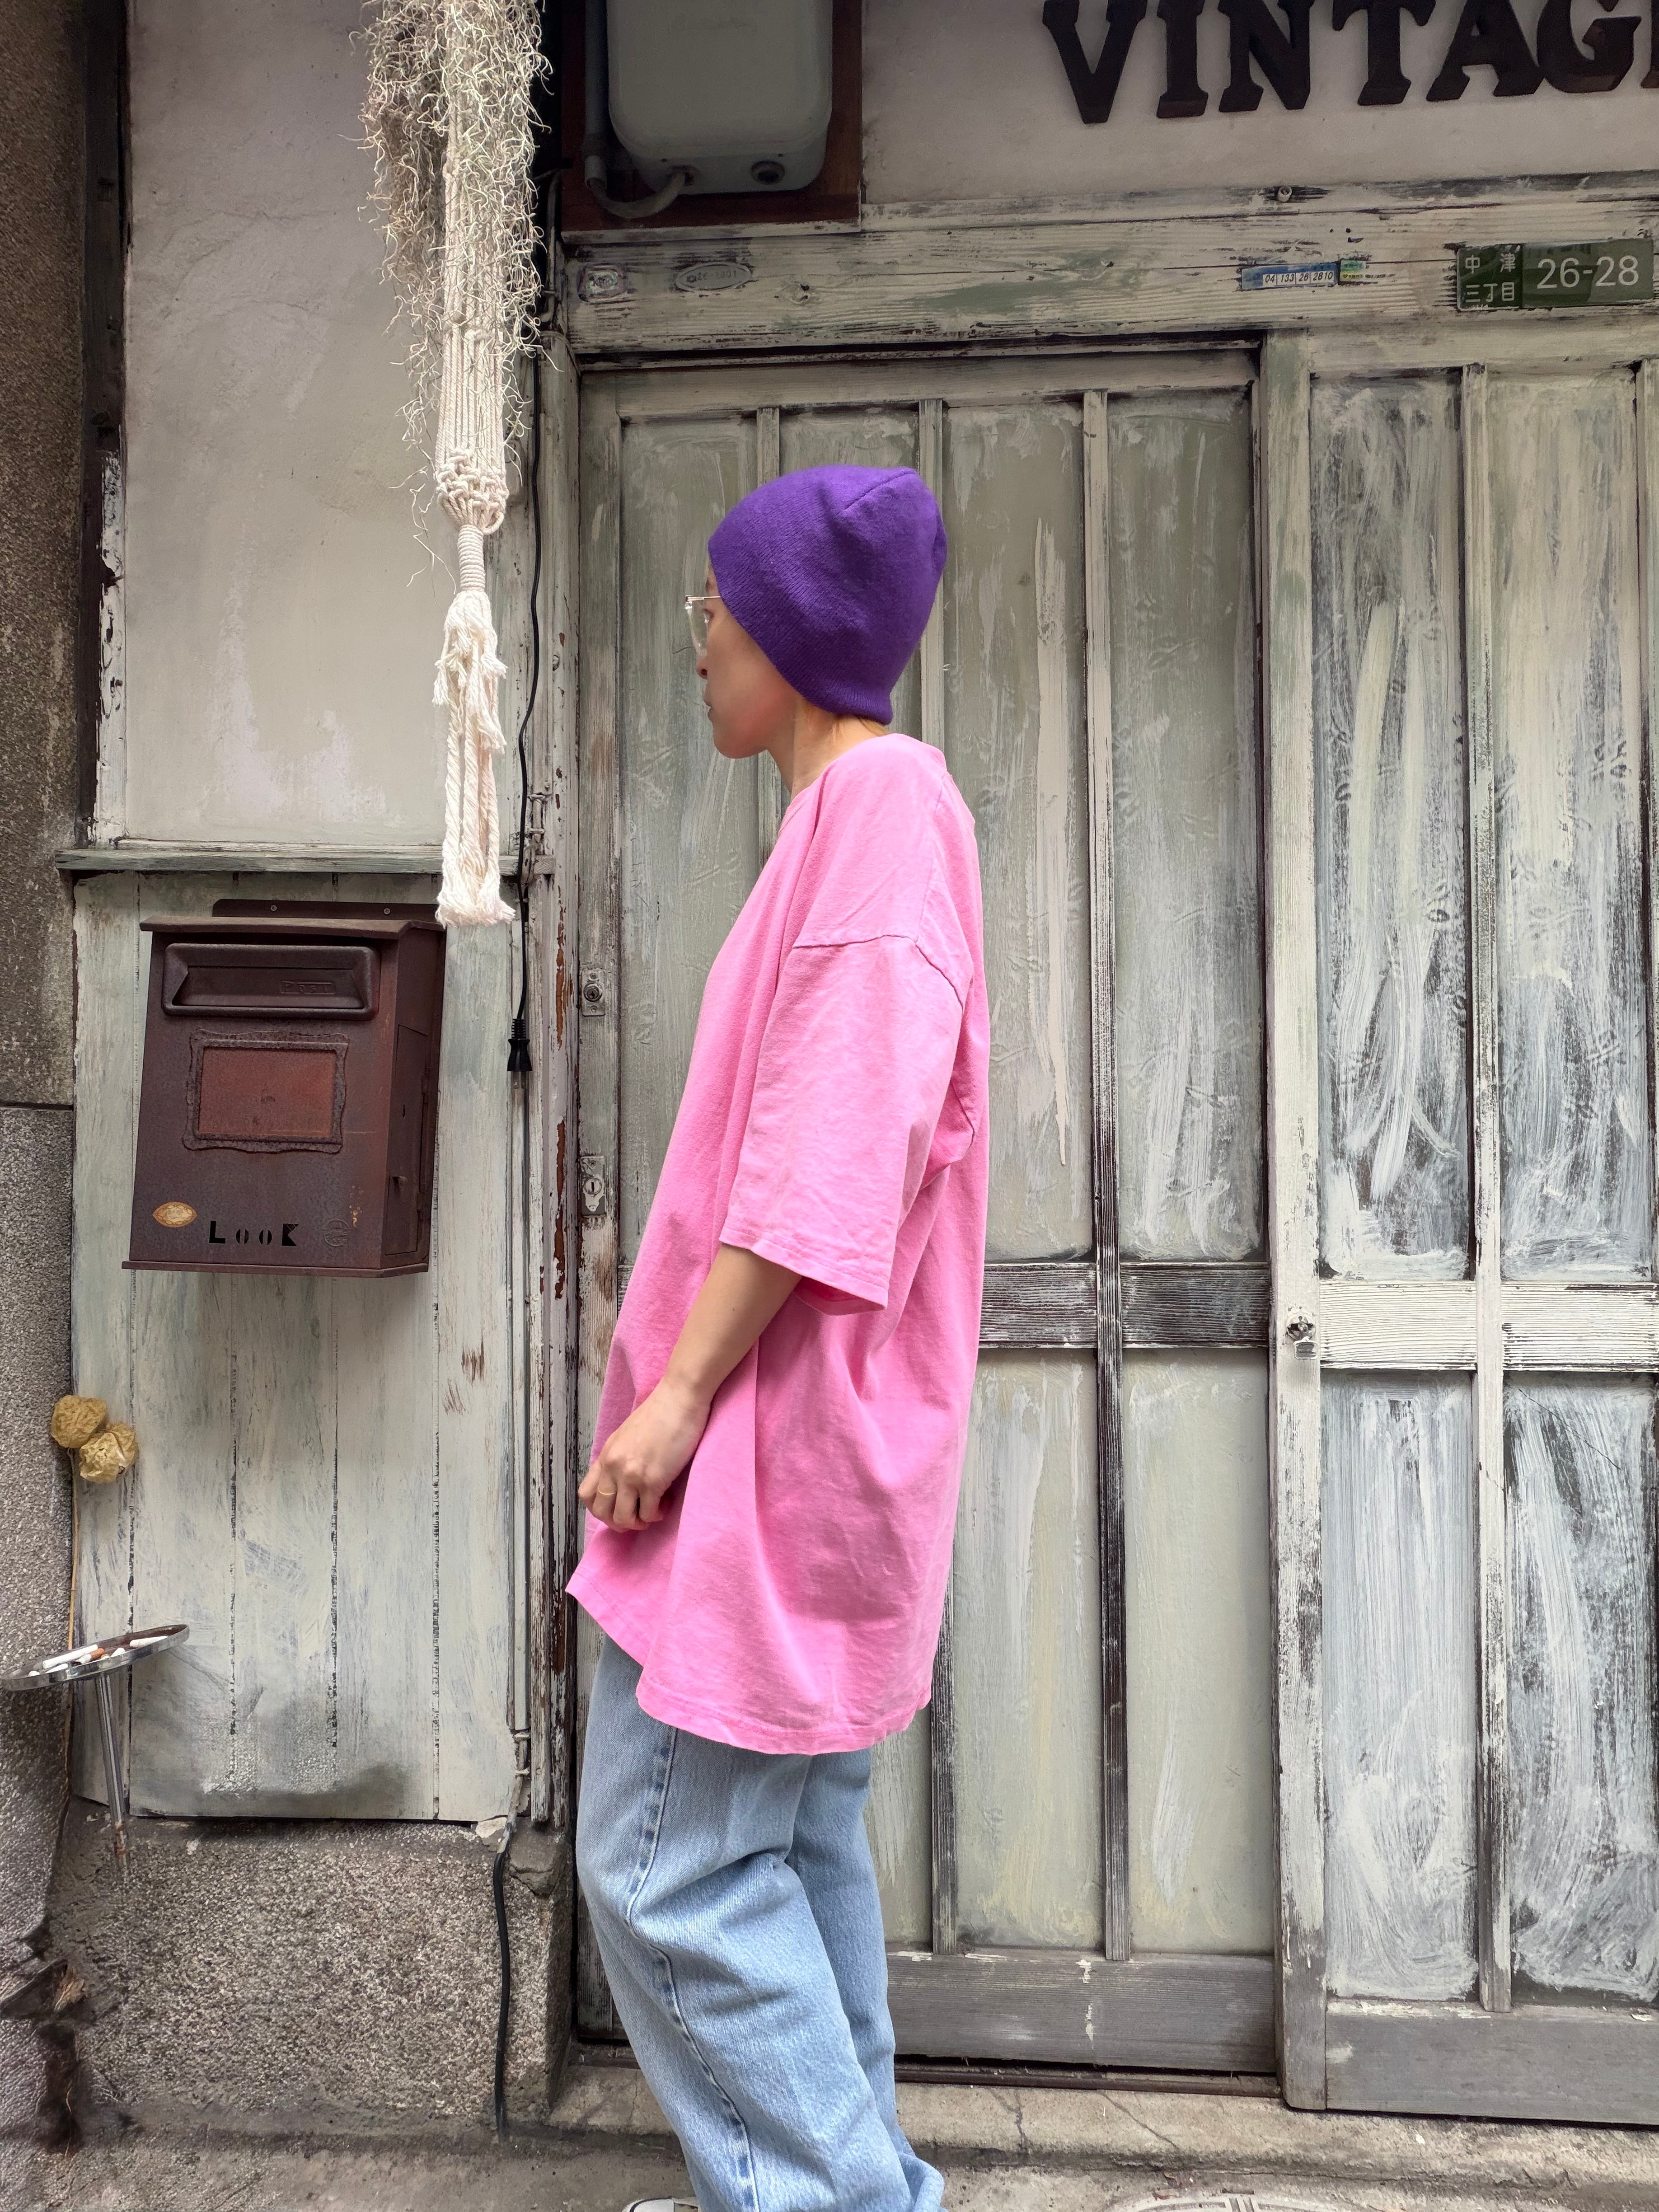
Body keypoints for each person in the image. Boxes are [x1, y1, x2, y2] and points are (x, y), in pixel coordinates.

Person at [568, 462, 990, 2212]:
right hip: (800, 1436)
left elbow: (831, 1152)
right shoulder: (852, 817)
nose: (698, 646)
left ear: (793, 635)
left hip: (771, 1440)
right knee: (791, 1854)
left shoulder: (882, 802)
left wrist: (679, 1394)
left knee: (660, 1867)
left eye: (716, 614)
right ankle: (855, 2183)